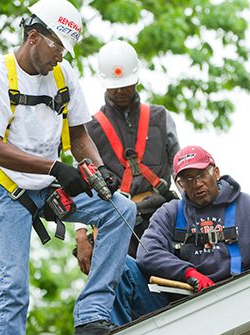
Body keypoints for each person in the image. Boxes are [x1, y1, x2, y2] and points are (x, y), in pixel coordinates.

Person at [0, 1, 136, 335]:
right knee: (13, 288)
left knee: (121, 209)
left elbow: (78, 136)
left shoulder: (63, 76)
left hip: (48, 187)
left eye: (65, 49)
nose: (61, 55)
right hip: (7, 190)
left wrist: (99, 168)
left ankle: (92, 314)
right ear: (34, 37)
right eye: (57, 46)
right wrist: (55, 167)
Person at [108, 145, 250, 326]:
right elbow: (147, 253)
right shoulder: (170, 213)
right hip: (181, 309)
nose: (197, 184)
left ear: (216, 172)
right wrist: (188, 273)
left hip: (242, 302)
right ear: (180, 184)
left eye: (202, 174)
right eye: (188, 179)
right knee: (121, 262)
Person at [74, 40, 180, 262]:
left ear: (137, 77)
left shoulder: (160, 117)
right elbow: (81, 184)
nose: (121, 90)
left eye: (126, 84)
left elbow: (179, 168)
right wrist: (81, 235)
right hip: (116, 222)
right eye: (115, 85)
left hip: (162, 216)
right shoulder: (89, 130)